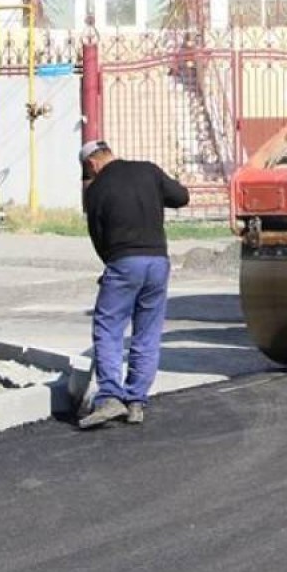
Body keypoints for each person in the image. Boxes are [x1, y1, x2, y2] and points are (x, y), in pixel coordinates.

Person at [77, 139, 191, 428]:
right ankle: (136, 399)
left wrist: (112, 263)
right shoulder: (148, 171)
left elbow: (98, 237)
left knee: (108, 327)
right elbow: (181, 197)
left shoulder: (96, 189)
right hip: (158, 262)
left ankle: (110, 397)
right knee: (148, 331)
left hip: (123, 261)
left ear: (92, 163)